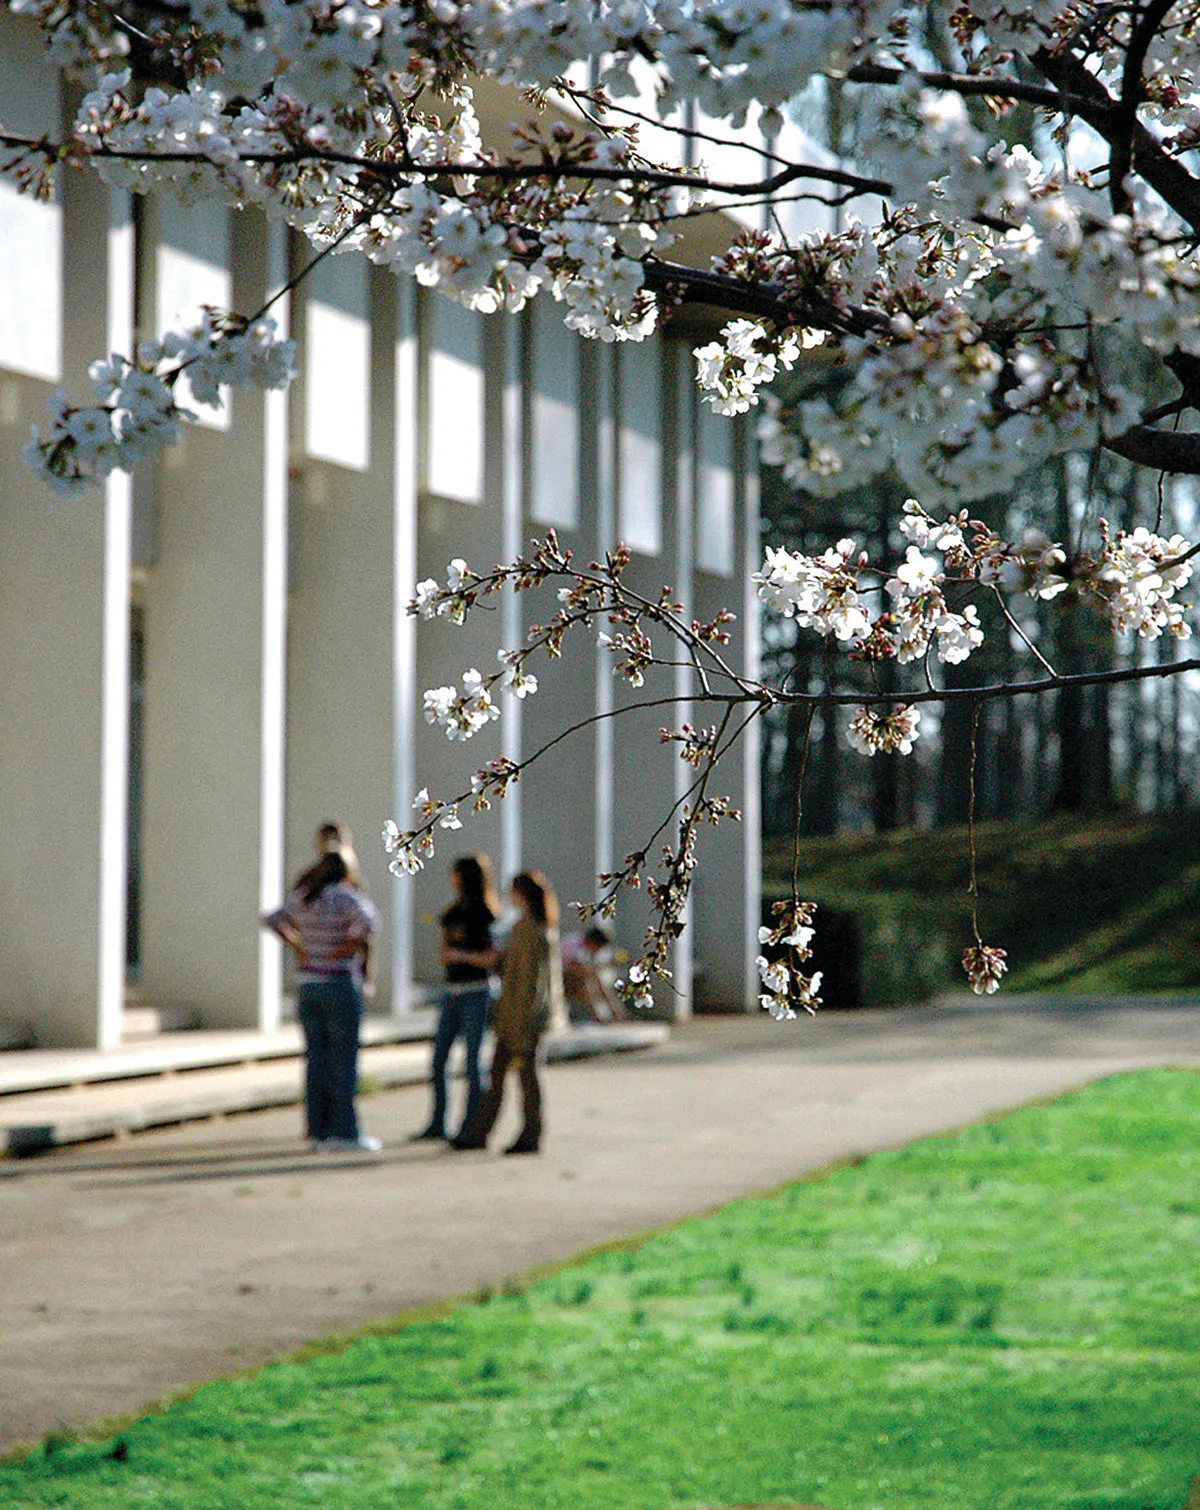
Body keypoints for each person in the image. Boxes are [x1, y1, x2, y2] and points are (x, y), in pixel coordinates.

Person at [262, 849, 381, 1152]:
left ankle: (317, 1130)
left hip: (308, 982)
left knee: (316, 1060)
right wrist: (346, 945)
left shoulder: (303, 897)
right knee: (343, 1060)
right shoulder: (344, 896)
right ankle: (345, 1131)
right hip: (339, 981)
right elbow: (370, 922)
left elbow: (272, 920)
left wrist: (298, 944)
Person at [452, 869, 563, 1155]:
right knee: (500, 1075)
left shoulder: (534, 932)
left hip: (524, 1019)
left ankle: (528, 1134)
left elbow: (531, 984)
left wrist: (523, 1022)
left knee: (525, 1079)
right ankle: (480, 1132)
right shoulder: (525, 928)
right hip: (512, 1016)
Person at [411, 855, 500, 1142]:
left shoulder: (485, 914)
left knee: (473, 1062)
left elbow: (490, 959)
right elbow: (442, 952)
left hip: (476, 991)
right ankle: (438, 1123)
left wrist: (461, 955)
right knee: (438, 1060)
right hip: (451, 991)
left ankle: (472, 1125)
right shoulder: (452, 912)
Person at [561, 925, 625, 1024]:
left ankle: (614, 1014)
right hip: (561, 979)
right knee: (589, 982)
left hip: (570, 977)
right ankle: (604, 1016)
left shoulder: (583, 946)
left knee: (594, 980)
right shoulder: (575, 945)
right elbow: (573, 967)